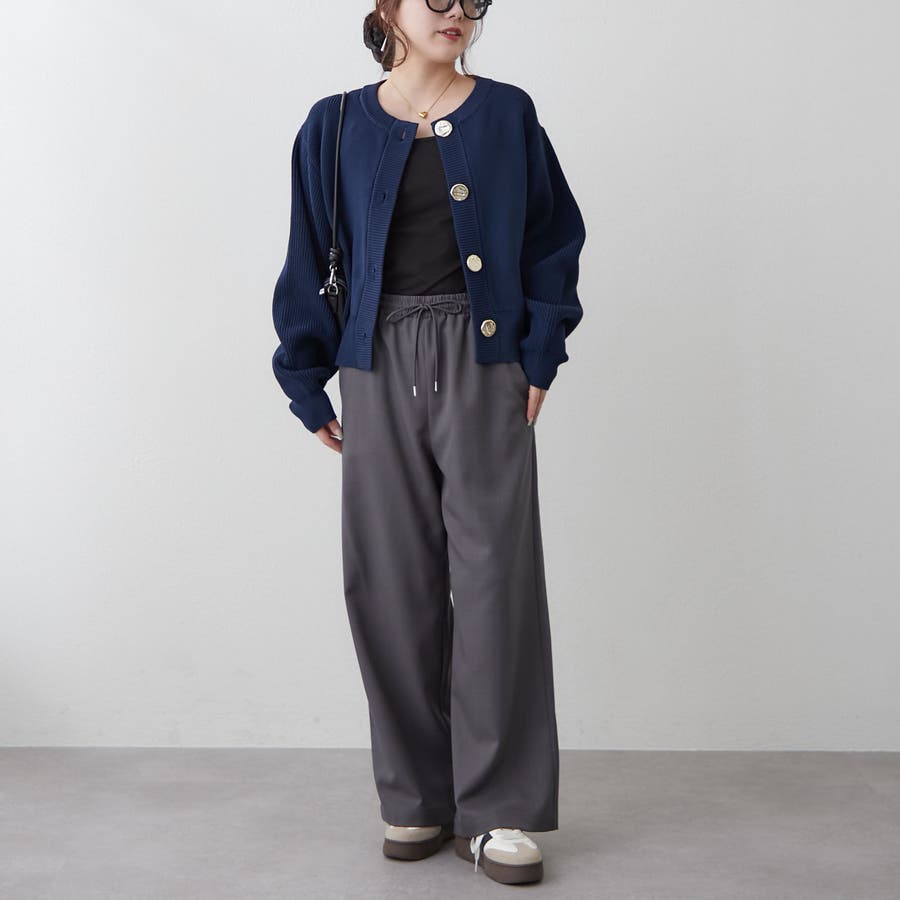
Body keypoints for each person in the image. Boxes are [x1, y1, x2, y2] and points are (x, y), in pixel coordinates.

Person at [271, 0, 586, 886]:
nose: (459, 14)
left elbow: (552, 238)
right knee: (389, 583)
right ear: (388, 8)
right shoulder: (333, 124)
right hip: (373, 366)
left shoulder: (508, 113)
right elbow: (307, 254)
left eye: (472, 1)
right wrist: (306, 375)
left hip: (486, 366)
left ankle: (500, 808)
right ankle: (417, 794)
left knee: (495, 584)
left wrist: (540, 351)